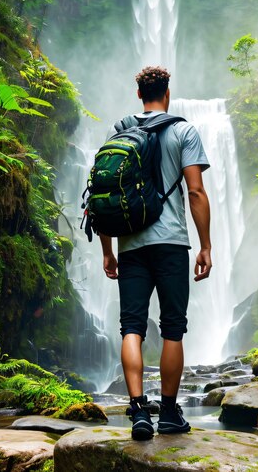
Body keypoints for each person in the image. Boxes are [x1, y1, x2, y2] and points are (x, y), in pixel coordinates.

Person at [99, 66, 212, 440]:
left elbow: (103, 195)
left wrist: (108, 252)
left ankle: (137, 412)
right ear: (168, 92)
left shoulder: (120, 132)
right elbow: (195, 192)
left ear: (139, 95)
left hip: (130, 245)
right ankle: (167, 413)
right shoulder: (183, 130)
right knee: (172, 329)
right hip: (172, 245)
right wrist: (206, 245)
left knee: (131, 327)